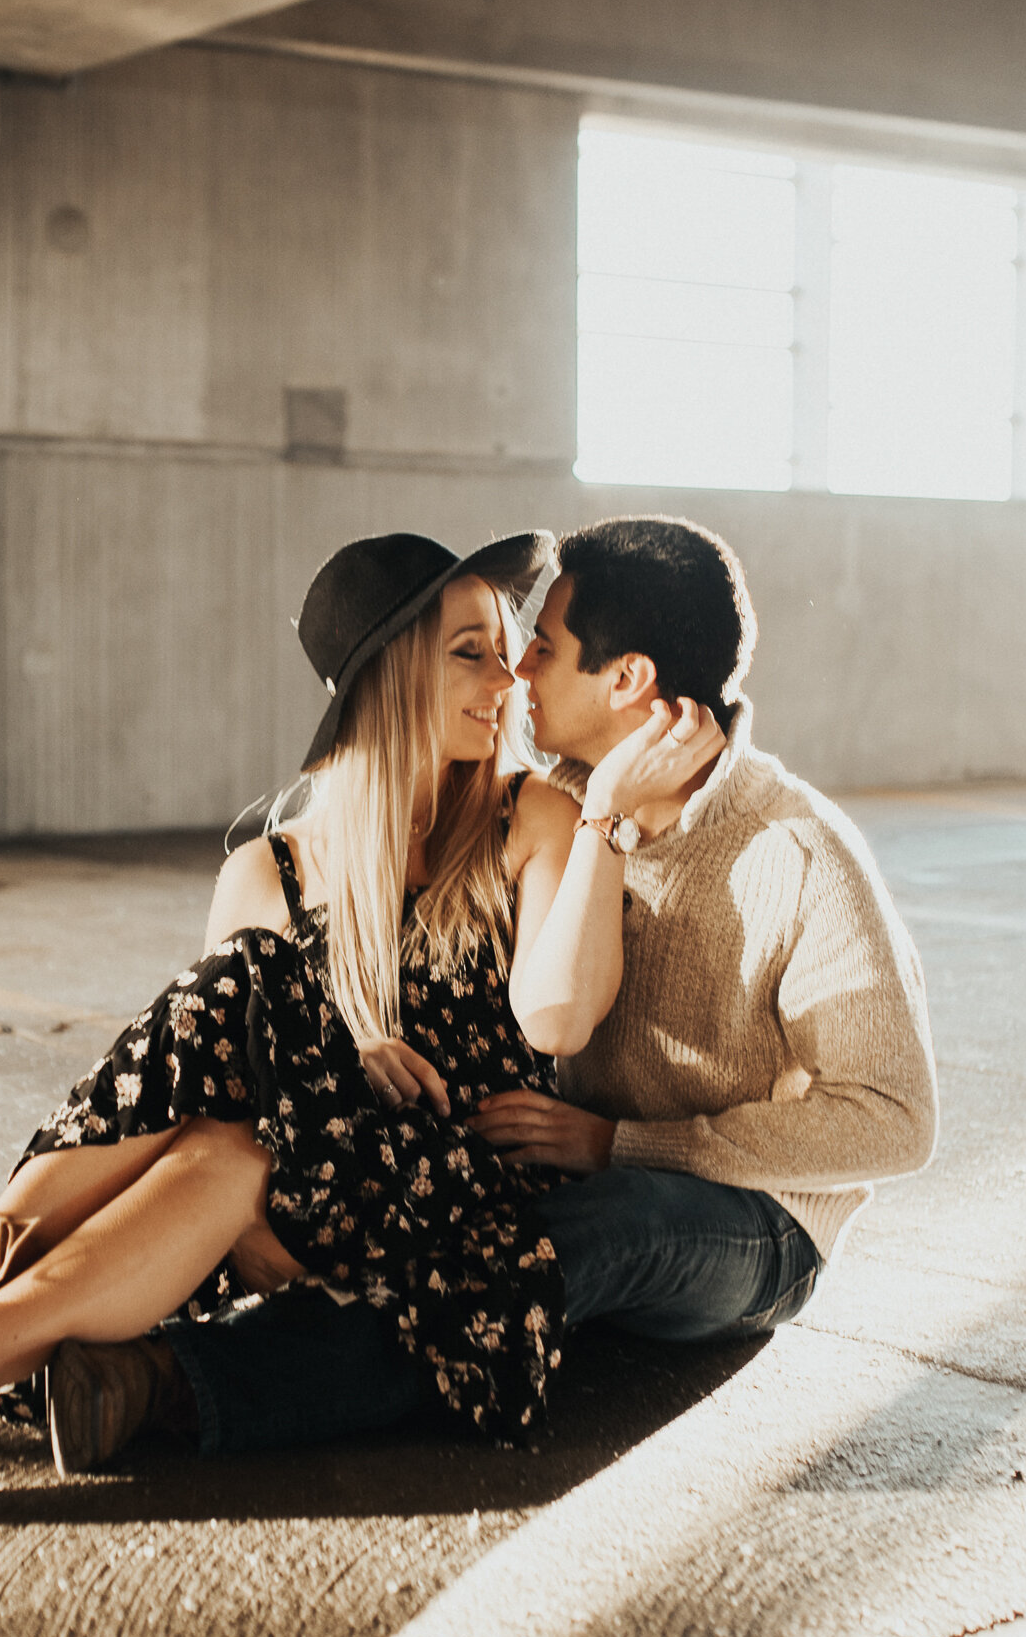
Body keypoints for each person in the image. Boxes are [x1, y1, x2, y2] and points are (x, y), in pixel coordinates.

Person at [0, 532, 717, 1526]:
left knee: (257, 984)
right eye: (472, 650)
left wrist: (606, 822)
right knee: (232, 1118)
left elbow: (559, 1014)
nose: (507, 678)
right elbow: (205, 1101)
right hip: (278, 1209)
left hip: (455, 1222)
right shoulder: (266, 874)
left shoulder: (532, 816)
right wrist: (335, 1057)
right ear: (389, 672)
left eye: (507, 647)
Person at [74, 512, 940, 1462]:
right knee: (429, 1212)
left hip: (744, 1223)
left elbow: (893, 1119)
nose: (517, 671)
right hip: (563, 1165)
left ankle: (175, 1386)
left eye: (541, 647)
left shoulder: (797, 853)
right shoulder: (551, 797)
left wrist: (626, 1144)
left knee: (553, 1239)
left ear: (626, 679)